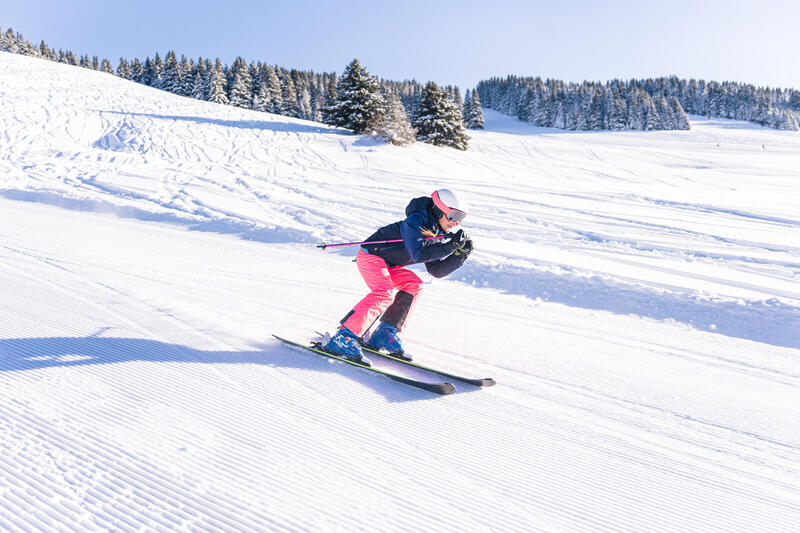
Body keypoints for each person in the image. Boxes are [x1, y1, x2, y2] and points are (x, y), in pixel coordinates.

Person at [324, 188, 473, 365]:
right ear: (440, 209)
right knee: (384, 292)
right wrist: (449, 247)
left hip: (389, 264)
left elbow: (436, 270)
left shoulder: (437, 232)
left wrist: (459, 255)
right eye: (454, 216)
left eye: (460, 219)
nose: (456, 223)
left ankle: (384, 335)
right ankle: (343, 337)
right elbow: (417, 254)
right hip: (371, 256)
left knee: (414, 285)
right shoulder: (415, 222)